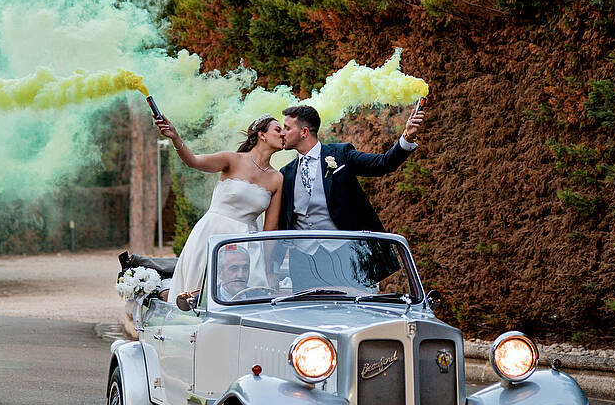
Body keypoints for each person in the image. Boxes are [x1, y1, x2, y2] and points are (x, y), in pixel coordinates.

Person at [277, 100, 427, 285]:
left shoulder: (340, 154)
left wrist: (407, 136)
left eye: (287, 128)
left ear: (304, 132)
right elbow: (280, 222)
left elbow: (383, 164)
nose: (282, 132)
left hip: (345, 255)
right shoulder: (286, 173)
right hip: (303, 262)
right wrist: (272, 268)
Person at [155, 113, 285, 303]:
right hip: (213, 233)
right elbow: (193, 161)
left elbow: (270, 231)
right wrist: (175, 137)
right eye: (278, 130)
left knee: (247, 300)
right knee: (195, 292)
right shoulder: (232, 160)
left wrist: (269, 270)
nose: (283, 135)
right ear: (262, 135)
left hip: (248, 244)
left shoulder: (277, 178)